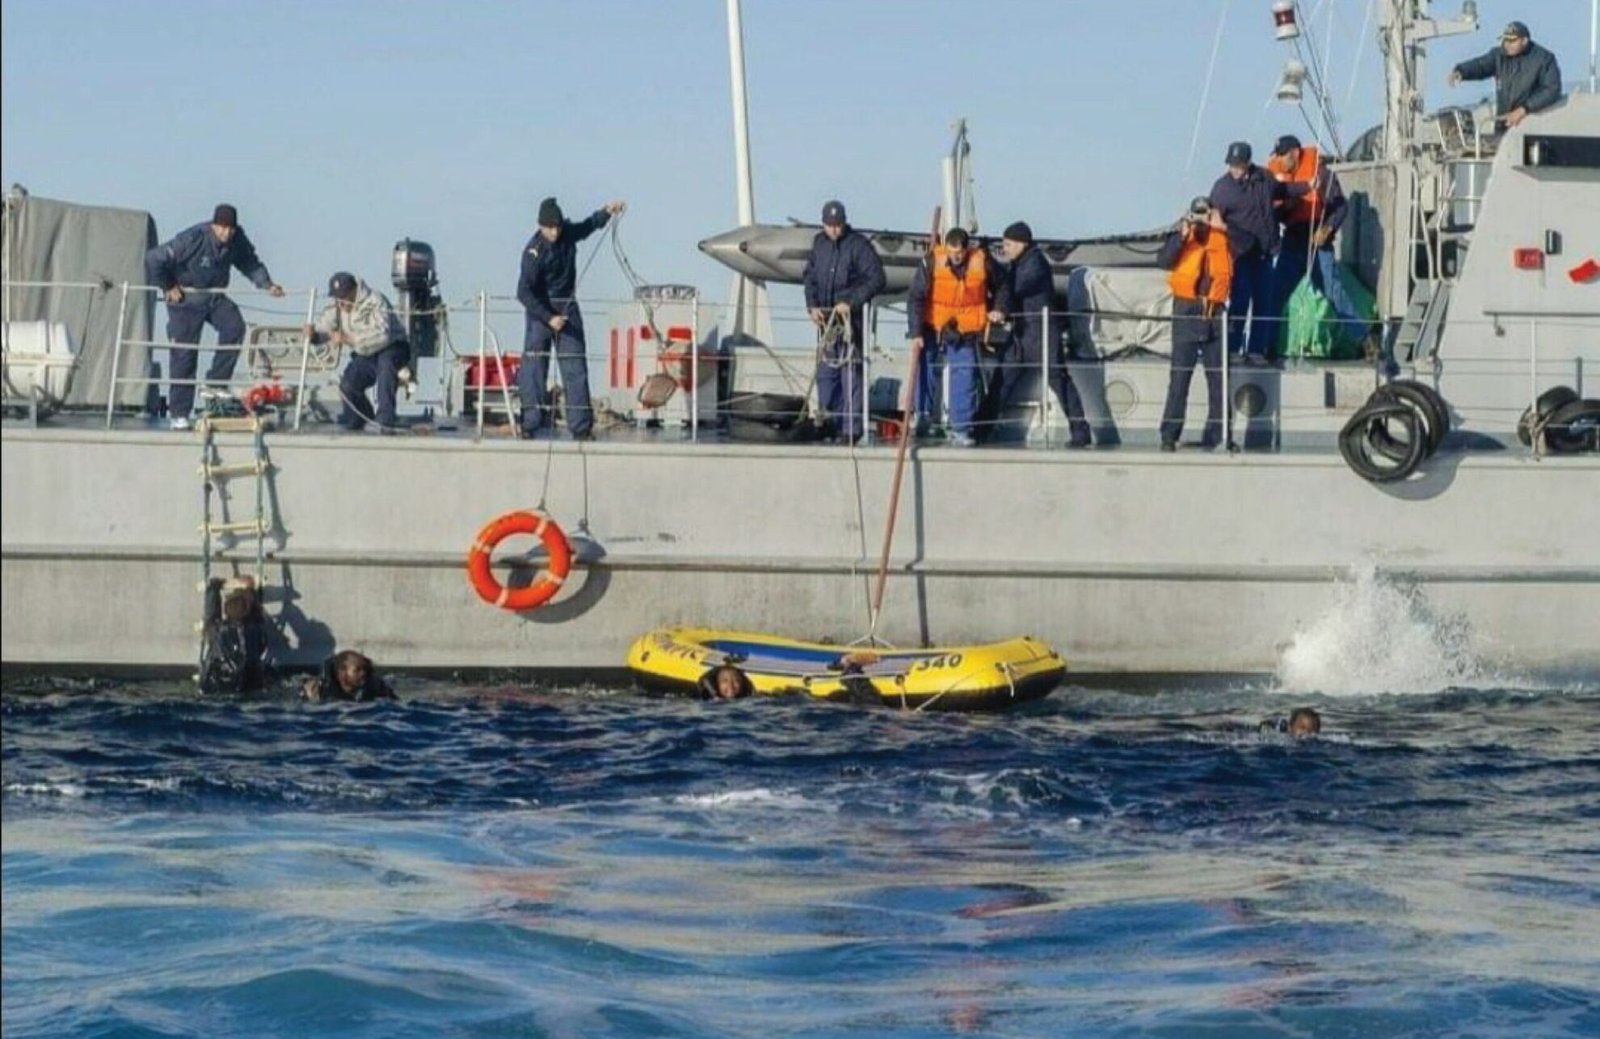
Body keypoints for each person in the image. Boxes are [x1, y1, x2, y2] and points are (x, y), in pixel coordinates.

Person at [146, 204, 285, 430]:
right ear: (213, 226)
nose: (226, 233)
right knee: (184, 354)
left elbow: (249, 262)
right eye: (222, 228)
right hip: (186, 297)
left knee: (234, 327)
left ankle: (216, 382)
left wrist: (267, 284)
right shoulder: (194, 238)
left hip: (214, 296)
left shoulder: (237, 239)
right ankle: (179, 414)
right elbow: (154, 258)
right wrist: (168, 285)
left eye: (230, 229)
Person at [516, 196, 626, 441]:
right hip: (540, 310)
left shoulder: (567, 234)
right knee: (534, 368)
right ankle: (530, 423)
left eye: (557, 227)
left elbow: (587, 226)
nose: (555, 232)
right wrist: (548, 318)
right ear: (541, 226)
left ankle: (581, 427)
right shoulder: (533, 252)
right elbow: (523, 292)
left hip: (567, 305)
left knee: (575, 367)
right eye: (550, 228)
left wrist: (606, 212)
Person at [995, 221, 1093, 448]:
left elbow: (1016, 288)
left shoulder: (1035, 264)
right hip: (1022, 333)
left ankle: (1080, 431)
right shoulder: (1018, 264)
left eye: (1007, 244)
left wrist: (996, 277)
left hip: (1042, 333)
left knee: (1058, 380)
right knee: (1002, 380)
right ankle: (980, 427)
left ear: (1021, 243)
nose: (1004, 249)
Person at [1266, 135, 1369, 351]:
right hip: (1293, 241)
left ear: (1295, 153)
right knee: (1275, 293)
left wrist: (1328, 227)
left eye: (1283, 156)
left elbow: (1341, 206)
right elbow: (1274, 213)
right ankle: (1266, 346)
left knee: (1333, 292)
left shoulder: (1321, 174)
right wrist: (1286, 208)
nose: (1280, 161)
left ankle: (1366, 340)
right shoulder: (1282, 182)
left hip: (1318, 243)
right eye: (1278, 157)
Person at [1208, 142, 1307, 365]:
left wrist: (1307, 186)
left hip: (1265, 252)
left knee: (1264, 303)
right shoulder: (1222, 189)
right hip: (1239, 255)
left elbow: (1283, 190)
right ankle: (1233, 349)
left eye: (1238, 165)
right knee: (1240, 301)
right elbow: (1214, 218)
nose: (1235, 169)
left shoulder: (1264, 178)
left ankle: (1256, 350)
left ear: (1248, 163)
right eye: (1232, 165)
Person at [907, 228, 1004, 448]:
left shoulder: (983, 262)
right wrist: (916, 332)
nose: (955, 257)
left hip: (966, 328)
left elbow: (1003, 285)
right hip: (934, 325)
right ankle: (922, 417)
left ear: (966, 249)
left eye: (959, 253)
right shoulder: (931, 261)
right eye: (951, 252)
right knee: (925, 367)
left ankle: (961, 428)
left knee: (965, 373)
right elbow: (916, 297)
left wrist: (999, 307)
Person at [802, 201, 887, 445]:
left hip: (851, 324)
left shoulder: (858, 245)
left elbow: (877, 278)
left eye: (838, 225)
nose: (834, 229)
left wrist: (851, 302)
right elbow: (810, 277)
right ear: (823, 224)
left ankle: (851, 428)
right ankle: (829, 422)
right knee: (827, 376)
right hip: (827, 324)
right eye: (830, 225)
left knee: (851, 376)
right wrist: (812, 305)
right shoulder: (819, 244)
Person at [1156, 197, 1233, 452]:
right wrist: (1181, 234)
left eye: (1204, 213)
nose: (1201, 218)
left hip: (1215, 311)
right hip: (1186, 309)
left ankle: (1221, 435)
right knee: (1179, 376)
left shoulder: (1224, 236)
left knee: (1219, 377)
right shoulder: (1182, 235)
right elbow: (1164, 261)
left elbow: (1248, 247)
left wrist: (1223, 227)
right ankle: (1169, 435)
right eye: (1197, 213)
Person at [304, 272, 408, 434]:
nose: (341, 302)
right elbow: (325, 328)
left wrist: (349, 339)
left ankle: (385, 419)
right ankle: (360, 417)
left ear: (354, 290)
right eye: (337, 297)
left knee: (385, 367)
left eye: (344, 296)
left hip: (392, 347)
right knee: (348, 384)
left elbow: (383, 335)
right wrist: (314, 335)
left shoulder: (375, 300)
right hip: (366, 353)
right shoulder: (338, 307)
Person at [1448, 21, 1563, 130]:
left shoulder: (1543, 59)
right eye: (1505, 40)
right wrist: (1461, 71)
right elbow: (1481, 65)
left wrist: (1524, 109)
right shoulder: (1499, 56)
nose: (1507, 45)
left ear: (1524, 41)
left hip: (1531, 126)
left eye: (1512, 41)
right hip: (1503, 123)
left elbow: (1552, 89)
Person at [198, 575, 269, 695]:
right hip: (249, 685)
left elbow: (210, 613)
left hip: (216, 686)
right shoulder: (256, 628)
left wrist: (213, 588)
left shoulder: (216, 629)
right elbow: (257, 614)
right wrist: (250, 589)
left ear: (226, 610)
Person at [302, 649, 396, 702]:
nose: (363, 673)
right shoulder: (318, 691)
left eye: (364, 669)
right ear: (342, 673)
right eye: (357, 670)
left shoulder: (375, 686)